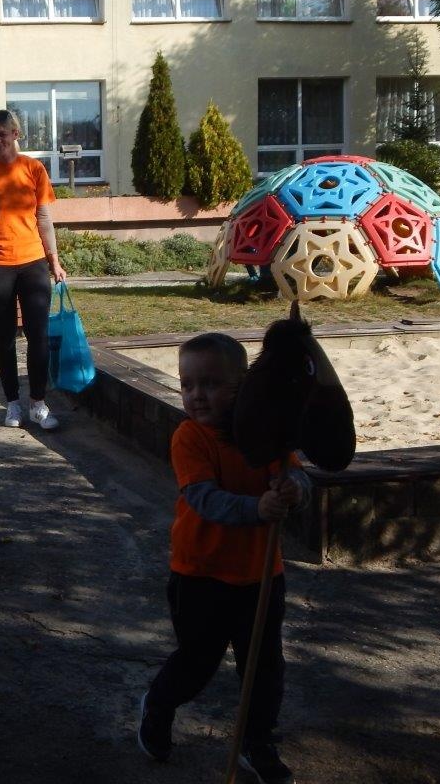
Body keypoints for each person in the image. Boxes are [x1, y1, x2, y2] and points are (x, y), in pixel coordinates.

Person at [136, 333, 311, 784]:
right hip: (200, 574)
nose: (197, 395)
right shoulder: (190, 437)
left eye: (211, 384)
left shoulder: (265, 435)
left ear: (242, 385)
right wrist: (258, 508)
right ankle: (159, 704)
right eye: (187, 384)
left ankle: (257, 741)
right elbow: (204, 499)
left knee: (264, 668)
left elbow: (298, 476)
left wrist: (294, 489)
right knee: (197, 663)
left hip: (260, 574)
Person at [0, 109, 67, 431]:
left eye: (2, 133)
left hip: (32, 262)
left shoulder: (33, 169)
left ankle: (38, 403)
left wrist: (54, 260)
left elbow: (44, 219)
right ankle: (13, 404)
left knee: (38, 335)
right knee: (5, 336)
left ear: (15, 134)